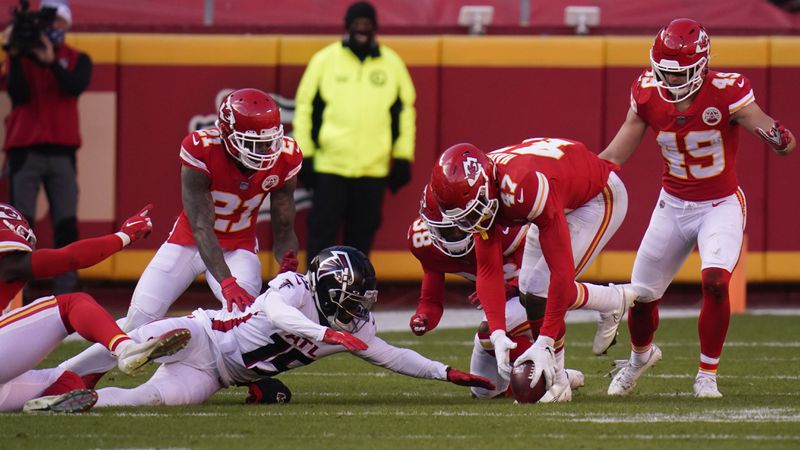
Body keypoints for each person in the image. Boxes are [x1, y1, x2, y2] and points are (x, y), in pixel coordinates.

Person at [599, 18, 795, 398]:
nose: (670, 82)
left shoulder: (728, 91)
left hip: (719, 203)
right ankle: (639, 359)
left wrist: (778, 137)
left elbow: (772, 132)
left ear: (702, 66)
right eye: (665, 73)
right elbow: (616, 152)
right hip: (672, 204)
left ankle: (707, 374)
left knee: (717, 282)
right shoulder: (646, 92)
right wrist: (585, 172)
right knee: (641, 299)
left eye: (680, 74)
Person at [33, 246, 495, 408]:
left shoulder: (351, 325)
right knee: (137, 342)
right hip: (207, 334)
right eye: (352, 300)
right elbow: (277, 315)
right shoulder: (294, 289)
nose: (358, 312)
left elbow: (391, 356)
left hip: (216, 375)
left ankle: (82, 400)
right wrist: (324, 335)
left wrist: (444, 372)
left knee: (149, 399)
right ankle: (64, 375)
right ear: (331, 289)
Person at [59, 88, 303, 385]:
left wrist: (287, 264)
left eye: (268, 143)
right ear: (227, 134)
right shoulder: (201, 149)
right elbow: (202, 226)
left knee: (245, 326)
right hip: (188, 243)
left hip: (238, 248)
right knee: (139, 321)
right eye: (253, 144)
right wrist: (226, 282)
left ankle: (248, 381)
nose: (264, 153)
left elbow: (284, 227)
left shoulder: (286, 156)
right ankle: (69, 374)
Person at [429, 137, 631, 402]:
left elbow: (562, 273)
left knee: (541, 291)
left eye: (472, 211)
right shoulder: (483, 184)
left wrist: (545, 340)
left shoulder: (523, 187)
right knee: (529, 295)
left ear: (485, 187)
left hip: (595, 198)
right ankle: (609, 306)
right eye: (463, 217)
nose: (471, 221)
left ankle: (560, 380)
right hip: (557, 195)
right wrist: (499, 333)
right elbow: (488, 270)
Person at [0, 202, 191, 413]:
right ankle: (126, 349)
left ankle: (45, 406)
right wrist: (124, 236)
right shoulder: (9, 263)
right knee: (70, 304)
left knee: (67, 381)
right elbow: (68, 258)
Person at [293, 1, 416, 266]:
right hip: (330, 166)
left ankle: (356, 294)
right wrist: (306, 154)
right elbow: (305, 108)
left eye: (367, 25)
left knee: (361, 238)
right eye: (357, 24)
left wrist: (403, 157)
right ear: (347, 26)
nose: (362, 29)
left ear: (374, 28)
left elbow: (404, 112)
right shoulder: (324, 60)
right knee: (322, 234)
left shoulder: (392, 64)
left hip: (373, 168)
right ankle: (314, 290)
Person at [1, 0, 91, 295]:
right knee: (20, 223)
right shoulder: (22, 58)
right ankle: (18, 290)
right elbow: (18, 94)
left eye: (57, 22)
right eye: (47, 22)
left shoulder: (76, 58)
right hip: (25, 149)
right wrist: (14, 54)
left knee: (65, 220)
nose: (52, 28)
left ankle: (67, 287)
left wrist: (51, 60)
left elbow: (75, 85)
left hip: (62, 152)